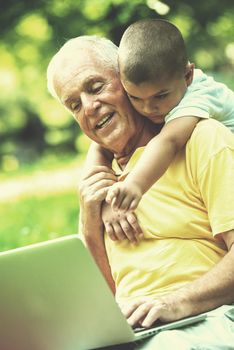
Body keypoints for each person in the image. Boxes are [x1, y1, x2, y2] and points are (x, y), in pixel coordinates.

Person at [47, 35, 234, 349]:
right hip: (134, 332)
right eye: (75, 105)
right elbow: (103, 301)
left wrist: (175, 303)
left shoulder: (202, 137)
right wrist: (89, 218)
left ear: (126, 80)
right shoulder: (100, 181)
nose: (90, 108)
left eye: (95, 87)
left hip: (207, 319)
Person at [99, 19, 234, 228]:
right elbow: (99, 143)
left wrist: (135, 184)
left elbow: (168, 141)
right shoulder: (161, 94)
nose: (148, 108)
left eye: (160, 96)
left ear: (187, 75)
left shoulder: (197, 96)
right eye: (134, 98)